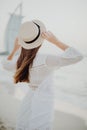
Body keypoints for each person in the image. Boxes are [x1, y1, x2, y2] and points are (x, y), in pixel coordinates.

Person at [2, 19, 84, 130]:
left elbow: (6, 65)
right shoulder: (46, 59)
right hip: (44, 101)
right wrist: (56, 41)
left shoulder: (21, 61)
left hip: (29, 98)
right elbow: (78, 56)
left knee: (23, 124)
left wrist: (14, 49)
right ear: (41, 40)